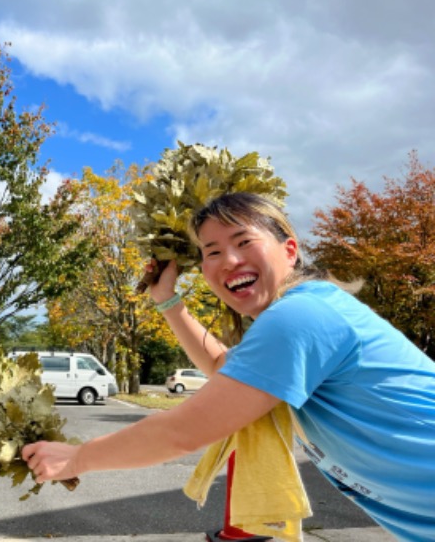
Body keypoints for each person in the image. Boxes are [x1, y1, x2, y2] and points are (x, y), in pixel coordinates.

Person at [22, 192, 435, 541]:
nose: (229, 260)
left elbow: (183, 431)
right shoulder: (306, 312)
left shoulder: (301, 317)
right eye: (212, 252)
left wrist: (78, 458)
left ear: (290, 250)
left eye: (243, 241)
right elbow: (226, 368)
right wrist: (167, 300)